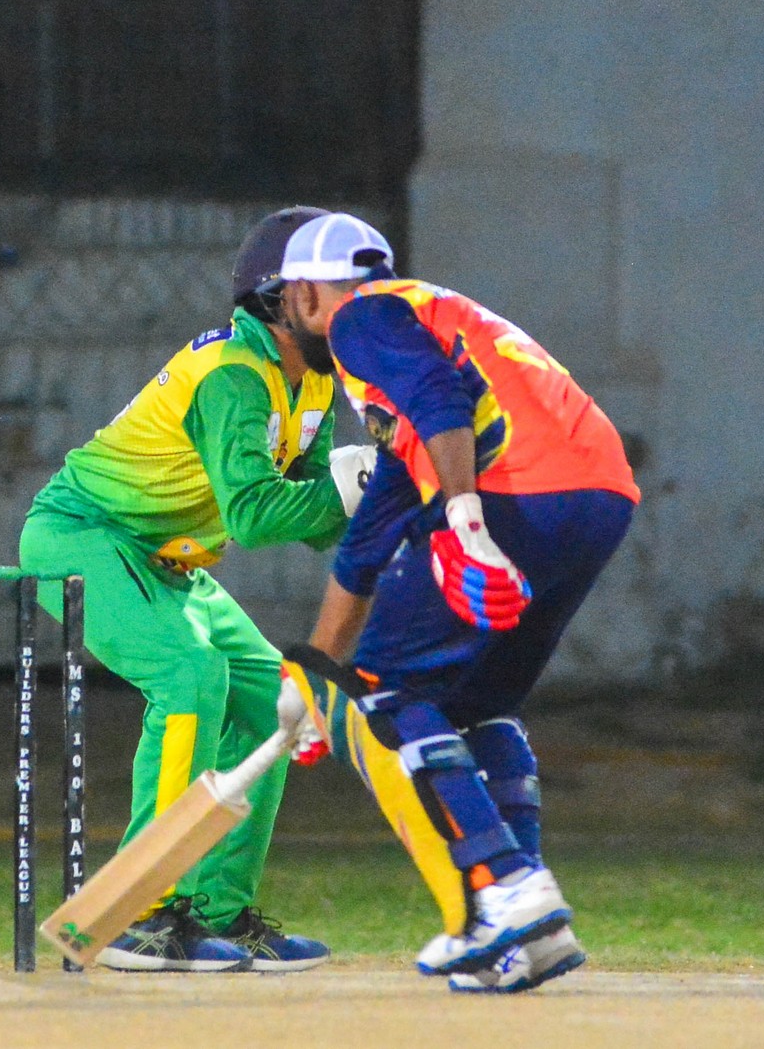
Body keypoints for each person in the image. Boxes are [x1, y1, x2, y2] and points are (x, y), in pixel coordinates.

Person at [273, 212, 640, 993]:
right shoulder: (429, 321)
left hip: (514, 492)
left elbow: (441, 402)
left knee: (389, 692)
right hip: (599, 492)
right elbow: (367, 546)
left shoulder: (361, 319)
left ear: (304, 294)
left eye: (286, 302)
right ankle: (531, 927)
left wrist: (465, 519)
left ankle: (501, 886)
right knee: (475, 705)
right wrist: (309, 679)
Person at [18, 207, 375, 972]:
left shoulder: (313, 381)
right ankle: (140, 911)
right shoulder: (234, 374)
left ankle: (218, 910)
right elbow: (255, 514)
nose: (359, 308)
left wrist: (386, 504)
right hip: (85, 533)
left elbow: (314, 513)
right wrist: (357, 492)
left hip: (167, 560)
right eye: (341, 290)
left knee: (271, 697)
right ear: (284, 297)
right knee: (189, 673)